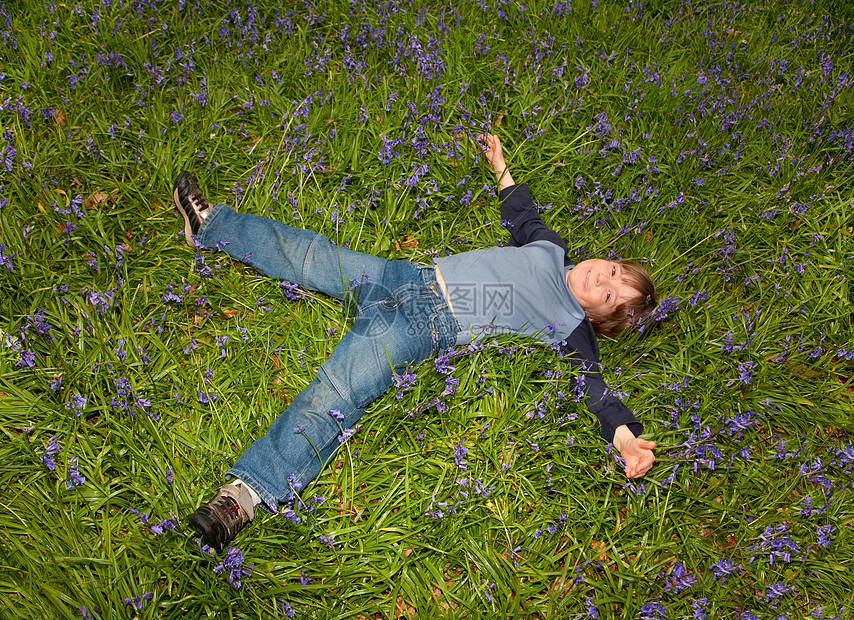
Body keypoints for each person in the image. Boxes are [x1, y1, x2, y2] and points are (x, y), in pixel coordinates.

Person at [176, 134, 659, 553]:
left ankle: (240, 500)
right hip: (406, 276)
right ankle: (211, 225)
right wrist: (500, 167)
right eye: (613, 271)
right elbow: (522, 215)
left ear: (599, 318)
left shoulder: (571, 327)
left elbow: (594, 390)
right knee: (312, 254)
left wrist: (626, 437)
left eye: (611, 296)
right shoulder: (552, 248)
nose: (603, 279)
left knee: (337, 394)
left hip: (423, 326)